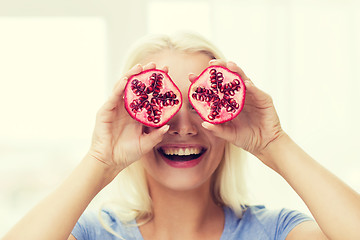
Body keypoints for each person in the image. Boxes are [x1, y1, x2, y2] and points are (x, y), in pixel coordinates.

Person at [2, 32, 360, 240]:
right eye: (163, 105)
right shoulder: (94, 233)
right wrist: (100, 161)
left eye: (201, 105)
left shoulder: (277, 231)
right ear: (130, 117)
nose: (184, 127)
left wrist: (275, 143)